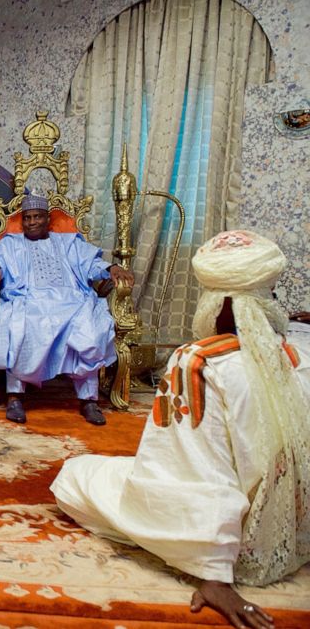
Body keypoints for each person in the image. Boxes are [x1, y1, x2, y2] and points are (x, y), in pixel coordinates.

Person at [51, 230, 310, 629]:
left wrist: (215, 574)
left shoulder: (197, 362)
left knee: (73, 476)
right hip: (289, 528)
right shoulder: (299, 353)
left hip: (237, 544)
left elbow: (199, 470)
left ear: (217, 302)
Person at [0, 194, 134, 425]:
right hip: (28, 300)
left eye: (37, 217)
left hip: (72, 300)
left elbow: (92, 264)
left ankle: (88, 400)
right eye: (27, 217)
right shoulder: (11, 243)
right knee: (18, 324)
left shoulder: (68, 242)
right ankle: (15, 397)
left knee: (89, 326)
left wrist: (112, 267)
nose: (31, 222)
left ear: (47, 219)